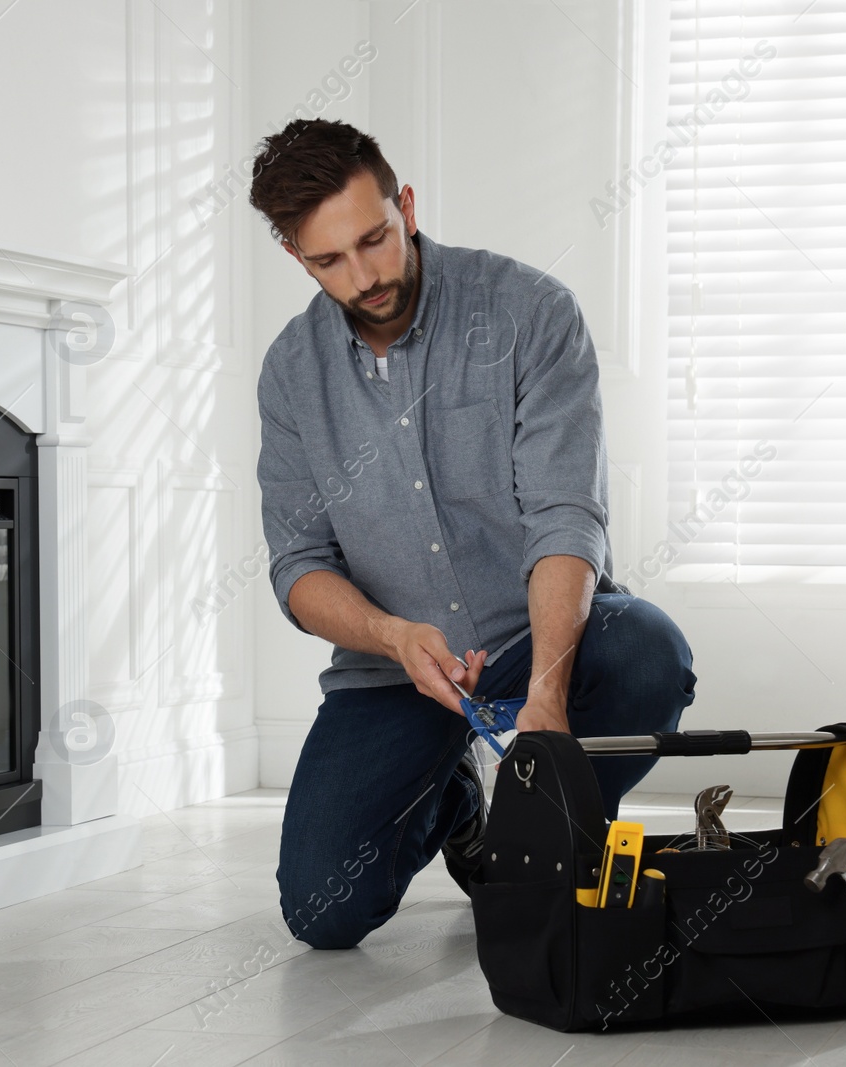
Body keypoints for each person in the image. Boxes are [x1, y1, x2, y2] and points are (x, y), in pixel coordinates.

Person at [250, 118, 696, 950]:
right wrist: (390, 635)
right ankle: (458, 793)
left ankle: (533, 838)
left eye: (375, 239)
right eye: (328, 261)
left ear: (406, 206)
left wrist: (548, 696)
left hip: (540, 633)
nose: (364, 275)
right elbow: (299, 566)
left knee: (647, 651)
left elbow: (567, 513)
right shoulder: (290, 373)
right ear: (296, 259)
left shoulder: (530, 312)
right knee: (322, 909)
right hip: (398, 670)